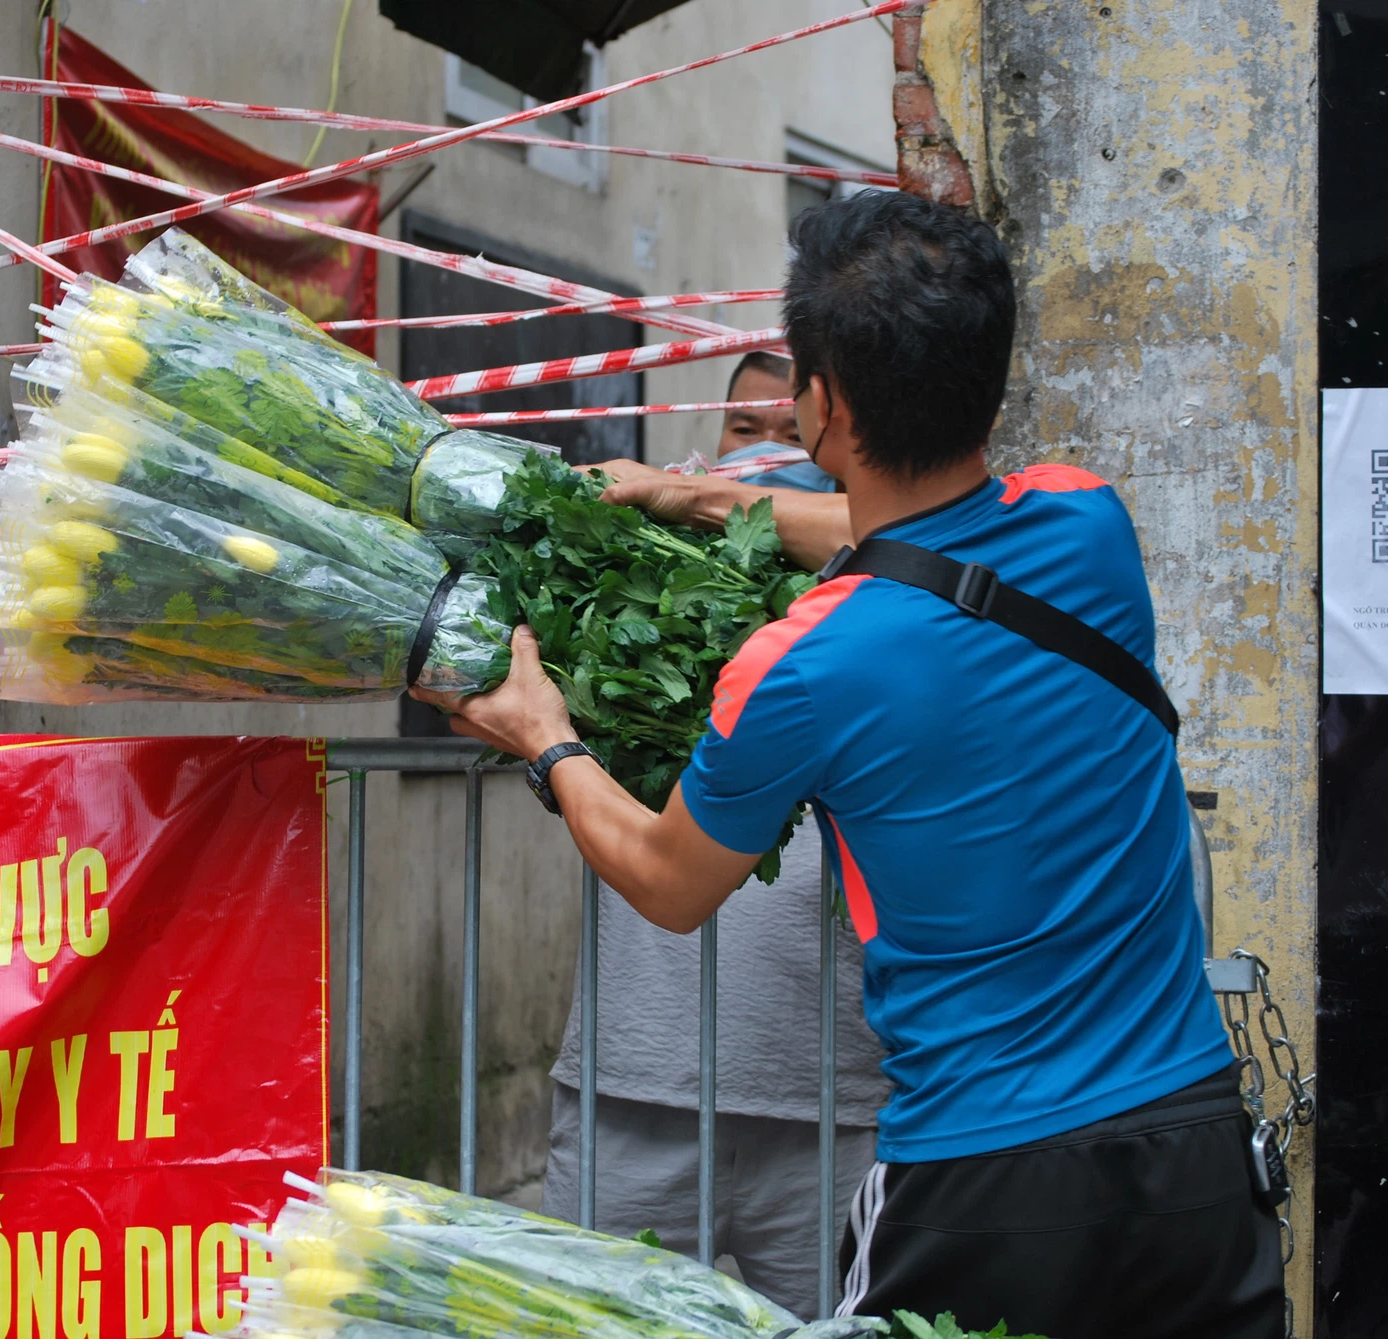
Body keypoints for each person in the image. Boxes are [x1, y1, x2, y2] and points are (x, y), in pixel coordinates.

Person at [414, 191, 1283, 1339]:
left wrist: (545, 736)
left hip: (981, 1175)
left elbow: (669, 880)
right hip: (1189, 1143)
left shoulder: (804, 664)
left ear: (816, 406)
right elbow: (910, 537)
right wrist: (709, 496)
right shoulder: (1090, 528)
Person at [535, 350, 889, 1320]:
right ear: (703, 445)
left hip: (834, 1106)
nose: (766, 454)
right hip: (634, 1088)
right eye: (745, 429)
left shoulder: (882, 594)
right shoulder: (624, 590)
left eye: (792, 433)